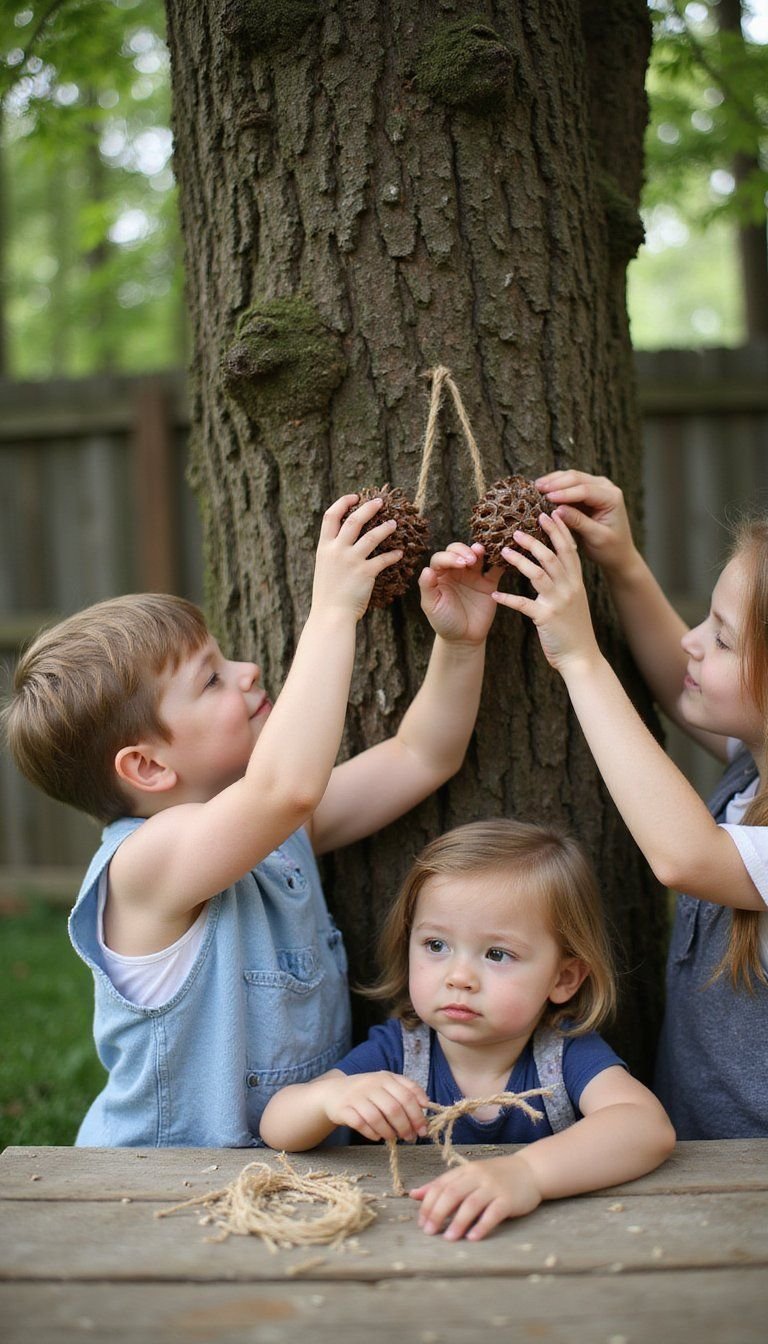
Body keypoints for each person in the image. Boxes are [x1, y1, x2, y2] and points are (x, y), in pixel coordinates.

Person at [3, 494, 500, 1148]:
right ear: (148, 767)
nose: (248, 670)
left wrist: (460, 643)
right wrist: (332, 610)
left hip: (280, 1177)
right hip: (148, 1187)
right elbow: (286, 789)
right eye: (212, 680)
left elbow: (422, 756)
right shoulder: (145, 868)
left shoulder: (279, 833)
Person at [491, 470, 768, 1139]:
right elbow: (685, 688)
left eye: (723, 638)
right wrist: (622, 562)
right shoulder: (752, 771)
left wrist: (581, 658)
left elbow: (685, 857)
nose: (692, 641)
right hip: (709, 1163)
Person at [260, 819, 674, 1240]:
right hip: (404, 1241)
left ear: (563, 978)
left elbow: (646, 1127)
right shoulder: (401, 1053)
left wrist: (526, 1174)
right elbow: (277, 1125)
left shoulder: (561, 1055)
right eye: (436, 945)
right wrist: (330, 1098)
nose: (460, 977)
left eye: (497, 953)